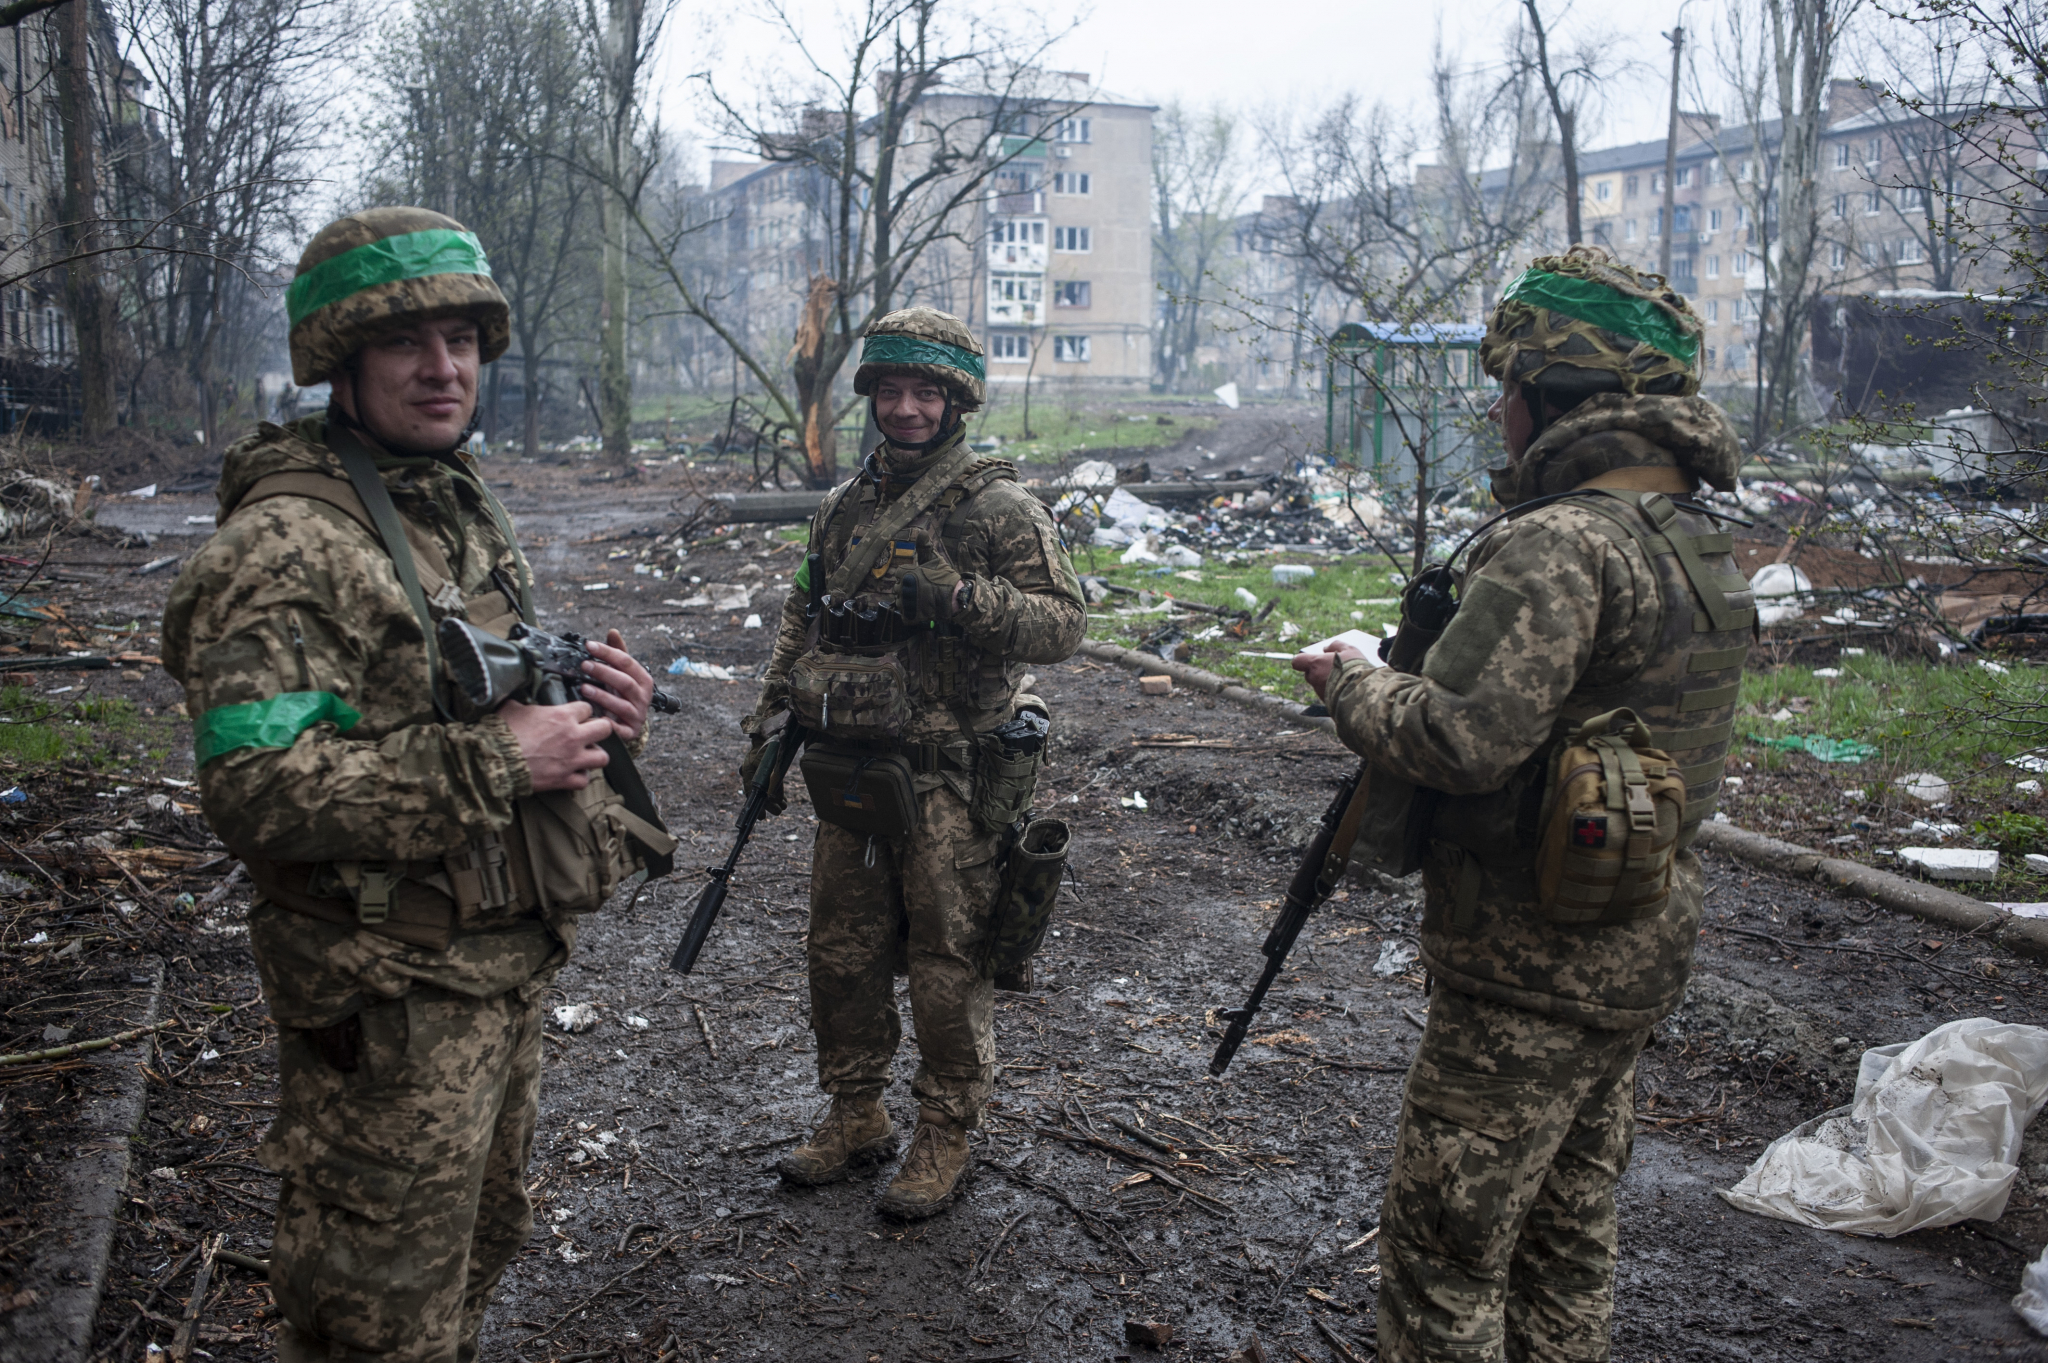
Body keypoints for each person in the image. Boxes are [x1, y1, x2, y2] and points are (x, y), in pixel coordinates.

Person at [163, 207, 669, 1363]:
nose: (443, 370)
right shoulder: (285, 546)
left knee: (475, 1252)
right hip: (387, 997)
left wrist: (596, 709)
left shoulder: (452, 499)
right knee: (373, 1319)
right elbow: (254, 788)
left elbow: (488, 693)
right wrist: (503, 758)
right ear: (342, 360)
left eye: (463, 341)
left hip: (497, 971)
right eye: (407, 344)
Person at [1293, 246, 1752, 1361]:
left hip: (1525, 962)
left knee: (1443, 1259)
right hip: (1632, 939)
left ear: (1546, 395)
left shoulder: (1560, 542)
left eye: (1504, 388)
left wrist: (1350, 675)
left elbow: (1458, 738)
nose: (1494, 411)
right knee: (1564, 1233)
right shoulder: (1689, 535)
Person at [744, 307, 1085, 1219]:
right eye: (890, 390)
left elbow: (1064, 622)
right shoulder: (843, 507)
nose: (904, 408)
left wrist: (960, 597)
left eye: (923, 391)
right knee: (842, 950)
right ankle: (855, 1109)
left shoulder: (998, 507)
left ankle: (946, 1129)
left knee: (946, 959)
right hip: (851, 765)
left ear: (955, 399)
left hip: (952, 774)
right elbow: (800, 614)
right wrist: (770, 726)